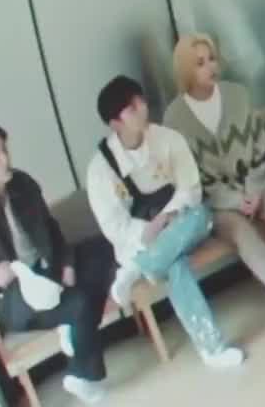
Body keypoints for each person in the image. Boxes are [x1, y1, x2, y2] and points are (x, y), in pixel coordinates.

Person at [164, 33, 265, 333]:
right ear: (186, 70)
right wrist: (233, 200)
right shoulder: (175, 117)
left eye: (212, 59)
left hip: (256, 183)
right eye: (200, 63)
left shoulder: (238, 95)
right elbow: (190, 177)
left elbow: (259, 146)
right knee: (246, 239)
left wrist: (253, 190)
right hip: (217, 202)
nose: (210, 67)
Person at [0, 124, 116, 403]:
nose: (4, 159)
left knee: (103, 250)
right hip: (16, 295)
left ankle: (71, 327)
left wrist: (68, 264)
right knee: (81, 302)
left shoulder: (22, 184)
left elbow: (51, 226)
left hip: (48, 269)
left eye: (4, 150)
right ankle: (82, 374)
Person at [87, 75, 244, 369]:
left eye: (141, 101)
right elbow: (114, 226)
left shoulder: (168, 139)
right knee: (175, 263)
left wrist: (164, 219)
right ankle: (212, 348)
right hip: (143, 240)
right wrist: (149, 231)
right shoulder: (100, 170)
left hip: (183, 223)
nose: (142, 109)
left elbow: (191, 189)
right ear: (115, 123)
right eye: (131, 108)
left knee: (200, 214)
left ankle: (139, 268)